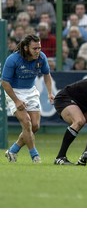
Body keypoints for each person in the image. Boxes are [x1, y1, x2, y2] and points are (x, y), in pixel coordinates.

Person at [1, 34, 54, 163]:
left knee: (35, 126)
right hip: (14, 92)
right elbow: (4, 82)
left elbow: (47, 74)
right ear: (26, 48)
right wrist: (16, 101)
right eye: (35, 48)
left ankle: (12, 150)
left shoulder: (41, 58)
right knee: (26, 123)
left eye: (39, 48)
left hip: (31, 91)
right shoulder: (13, 59)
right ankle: (35, 156)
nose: (38, 51)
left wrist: (49, 92)